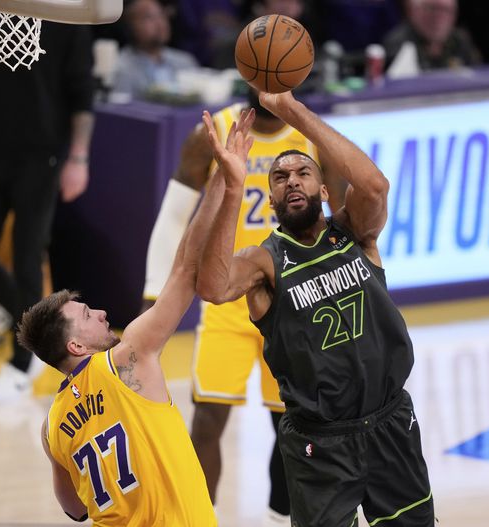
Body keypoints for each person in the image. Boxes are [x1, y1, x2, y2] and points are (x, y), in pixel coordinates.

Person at [197, 90, 434, 527]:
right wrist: (232, 186)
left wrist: (291, 110)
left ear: (324, 189)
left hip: (389, 423)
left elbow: (374, 185)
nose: (291, 180)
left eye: (303, 172)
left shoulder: (355, 233)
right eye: (280, 177)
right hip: (320, 444)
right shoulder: (263, 262)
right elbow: (212, 287)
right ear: (270, 200)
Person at [16, 108, 256, 526]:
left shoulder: (52, 428)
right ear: (74, 345)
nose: (103, 313)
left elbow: (75, 510)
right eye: (88, 315)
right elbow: (185, 267)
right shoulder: (129, 358)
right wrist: (226, 179)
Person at [142, 87, 342, 526]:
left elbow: (341, 218)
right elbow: (176, 213)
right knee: (208, 419)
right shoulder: (213, 133)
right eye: (261, 69)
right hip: (228, 295)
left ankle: (280, 515)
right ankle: (199, 518)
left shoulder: (310, 140)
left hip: (293, 301)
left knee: (292, 425)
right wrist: (156, 291)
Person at [0, 21, 95, 404]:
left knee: (26, 257)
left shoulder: (66, 18)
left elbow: (83, 95)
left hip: (42, 156)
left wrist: (78, 158)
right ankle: (42, 330)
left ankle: (22, 362)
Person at [112, 0, 199, 100]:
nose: (159, 23)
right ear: (130, 26)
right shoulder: (122, 68)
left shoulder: (185, 61)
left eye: (161, 15)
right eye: (149, 17)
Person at [383, 0, 480, 72]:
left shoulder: (460, 40)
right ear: (415, 11)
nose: (439, 17)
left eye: (446, 10)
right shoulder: (397, 42)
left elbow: (478, 74)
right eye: (432, 9)